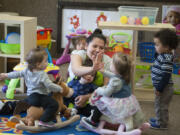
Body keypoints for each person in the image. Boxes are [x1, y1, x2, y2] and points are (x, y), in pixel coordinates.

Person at [0, 47, 63, 128]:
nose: (47, 63)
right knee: (54, 104)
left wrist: (6, 75)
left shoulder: (26, 70)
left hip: (30, 96)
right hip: (39, 97)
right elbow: (49, 85)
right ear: (38, 64)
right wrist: (59, 88)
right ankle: (44, 120)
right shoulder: (42, 74)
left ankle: (22, 115)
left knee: (22, 102)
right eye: (46, 61)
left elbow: (16, 74)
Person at [81, 53, 142, 131]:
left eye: (111, 63)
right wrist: (102, 71)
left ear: (116, 68)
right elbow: (113, 75)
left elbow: (107, 93)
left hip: (118, 103)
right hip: (127, 101)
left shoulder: (115, 81)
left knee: (100, 103)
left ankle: (93, 121)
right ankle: (129, 126)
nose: (110, 63)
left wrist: (98, 89)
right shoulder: (125, 75)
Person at [68, 28, 112, 116]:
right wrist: (93, 69)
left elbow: (106, 87)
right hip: (73, 91)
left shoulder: (106, 60)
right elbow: (76, 70)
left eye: (101, 48)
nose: (98, 50)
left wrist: (87, 97)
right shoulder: (78, 54)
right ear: (86, 46)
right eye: (94, 46)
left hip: (93, 95)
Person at [149, 29, 178, 129]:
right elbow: (156, 57)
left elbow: (166, 75)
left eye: (157, 45)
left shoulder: (167, 59)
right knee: (158, 104)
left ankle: (161, 124)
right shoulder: (163, 54)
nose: (155, 46)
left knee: (161, 106)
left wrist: (159, 88)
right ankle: (159, 119)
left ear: (166, 47)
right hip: (162, 87)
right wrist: (158, 51)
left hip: (164, 88)